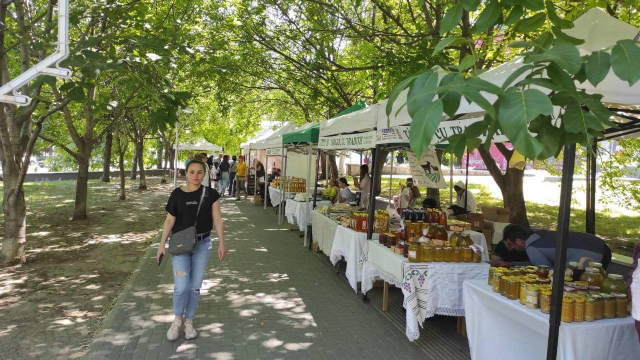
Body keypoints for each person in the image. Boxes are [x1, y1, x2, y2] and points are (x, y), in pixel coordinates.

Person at [157, 160, 227, 341]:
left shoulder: (211, 194)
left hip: (202, 245)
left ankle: (189, 322)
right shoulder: (177, 195)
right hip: (180, 246)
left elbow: (218, 220)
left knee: (195, 287)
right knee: (181, 287)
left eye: (200, 172)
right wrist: (161, 244)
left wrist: (222, 243)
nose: (196, 176)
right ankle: (177, 320)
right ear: (186, 174)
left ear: (205, 174)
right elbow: (169, 221)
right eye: (192, 172)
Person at [502, 224, 612, 269]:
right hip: (600, 245)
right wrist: (512, 264)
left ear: (519, 241)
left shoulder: (532, 247)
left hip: (591, 253)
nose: (511, 249)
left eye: (511, 245)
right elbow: (534, 263)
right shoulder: (537, 235)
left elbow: (546, 271)